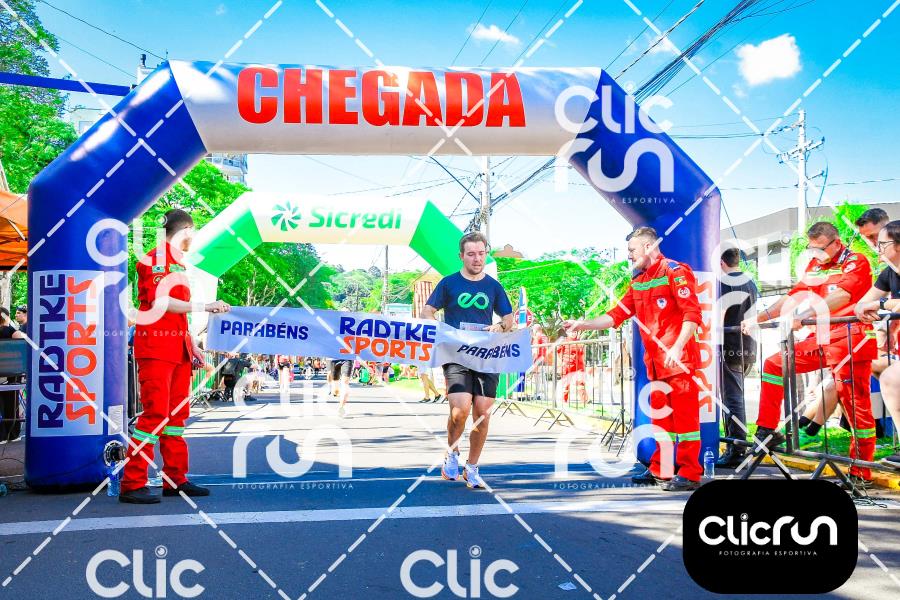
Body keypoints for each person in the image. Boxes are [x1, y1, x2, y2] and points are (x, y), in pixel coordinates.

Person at [565, 226, 704, 492]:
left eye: (632, 250)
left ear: (649, 247)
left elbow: (692, 314)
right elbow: (615, 315)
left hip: (680, 362)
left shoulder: (675, 271)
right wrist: (582, 324)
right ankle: (661, 470)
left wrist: (677, 346)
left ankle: (690, 473)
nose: (628, 255)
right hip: (656, 365)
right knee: (661, 423)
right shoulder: (639, 282)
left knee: (686, 423)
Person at [743, 221, 877, 488]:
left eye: (820, 249)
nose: (816, 254)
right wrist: (757, 319)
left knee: (855, 405)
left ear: (836, 243)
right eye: (811, 249)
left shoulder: (856, 262)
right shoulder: (815, 266)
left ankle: (861, 472)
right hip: (821, 339)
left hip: (850, 340)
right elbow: (792, 297)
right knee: (774, 363)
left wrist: (804, 315)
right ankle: (767, 430)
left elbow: (842, 296)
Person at [120, 209, 230, 504]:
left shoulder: (176, 263)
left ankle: (175, 479)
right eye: (194, 232)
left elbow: (177, 313)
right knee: (155, 415)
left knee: (176, 418)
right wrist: (206, 306)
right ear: (186, 231)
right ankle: (132, 483)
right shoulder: (157, 258)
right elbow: (161, 302)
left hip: (176, 349)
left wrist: (192, 345)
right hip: (157, 349)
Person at [422, 231, 514, 490]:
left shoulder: (493, 286)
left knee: (482, 413)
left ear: (486, 254)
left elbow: (508, 319)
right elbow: (427, 310)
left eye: (481, 254)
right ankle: (452, 453)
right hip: (456, 354)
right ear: (461, 256)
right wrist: (441, 328)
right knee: (460, 410)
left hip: (486, 355)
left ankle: (472, 467)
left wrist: (500, 326)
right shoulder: (448, 283)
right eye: (471, 254)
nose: (477, 259)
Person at [855, 219, 900, 468]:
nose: (877, 248)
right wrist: (868, 307)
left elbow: (881, 303)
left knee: (891, 377)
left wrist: (882, 305)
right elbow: (861, 304)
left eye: (882, 243)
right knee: (886, 374)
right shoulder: (888, 273)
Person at [716, 248, 758, 468]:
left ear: (722, 262)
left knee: (732, 399)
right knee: (735, 398)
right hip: (747, 346)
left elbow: (720, 313)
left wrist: (711, 336)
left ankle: (736, 449)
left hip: (730, 345)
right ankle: (736, 447)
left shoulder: (725, 282)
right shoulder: (750, 282)